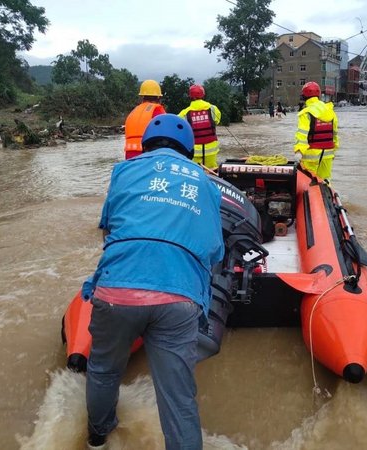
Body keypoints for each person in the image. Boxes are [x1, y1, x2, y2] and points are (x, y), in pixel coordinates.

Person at [83, 114, 225, 450]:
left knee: (103, 369)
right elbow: (215, 250)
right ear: (189, 149)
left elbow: (107, 227)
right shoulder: (206, 185)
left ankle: (97, 437)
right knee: (178, 397)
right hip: (178, 300)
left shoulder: (123, 171)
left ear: (145, 144)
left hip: (115, 291)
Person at [294, 81, 339, 181]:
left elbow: (302, 135)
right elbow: (335, 134)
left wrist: (299, 152)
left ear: (304, 96)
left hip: (311, 155)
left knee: (308, 181)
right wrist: (334, 150)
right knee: (325, 180)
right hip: (328, 154)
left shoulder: (306, 113)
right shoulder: (330, 111)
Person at [178, 84, 222, 170]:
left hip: (194, 152)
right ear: (203, 95)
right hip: (211, 151)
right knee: (212, 173)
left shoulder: (185, 113)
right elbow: (217, 121)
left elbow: (179, 128)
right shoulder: (213, 109)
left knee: (194, 174)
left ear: (190, 97)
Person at [123, 79, 166, 160]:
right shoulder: (157, 110)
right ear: (158, 97)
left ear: (142, 96)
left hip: (129, 156)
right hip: (147, 155)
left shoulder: (133, 112)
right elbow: (167, 134)